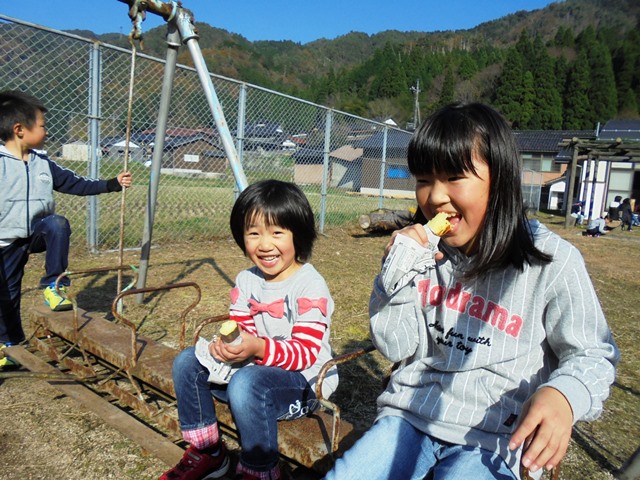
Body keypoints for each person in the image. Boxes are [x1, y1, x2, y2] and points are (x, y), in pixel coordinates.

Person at [323, 103, 619, 480]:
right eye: (424, 179)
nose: (434, 197)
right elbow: (395, 347)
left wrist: (565, 395)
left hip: (496, 437)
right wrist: (393, 276)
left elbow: (594, 353)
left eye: (453, 177)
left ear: (500, 180)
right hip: (410, 417)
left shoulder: (552, 261)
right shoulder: (422, 255)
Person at [161, 179, 338, 480]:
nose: (264, 244)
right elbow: (240, 328)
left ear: (300, 236)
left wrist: (257, 348)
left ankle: (260, 470)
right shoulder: (247, 279)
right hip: (254, 373)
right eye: (254, 233)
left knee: (246, 382)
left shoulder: (309, 284)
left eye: (277, 233)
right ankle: (209, 453)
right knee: (187, 361)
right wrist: (225, 345)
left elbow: (306, 353)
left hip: (305, 383)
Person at [0, 90, 132, 368]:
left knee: (57, 223)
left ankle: (53, 285)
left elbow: (76, 183)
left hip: (35, 233)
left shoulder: (42, 163)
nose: (46, 131)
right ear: (19, 129)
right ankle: (10, 345)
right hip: (5, 240)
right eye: (43, 125)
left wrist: (111, 183)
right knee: (7, 294)